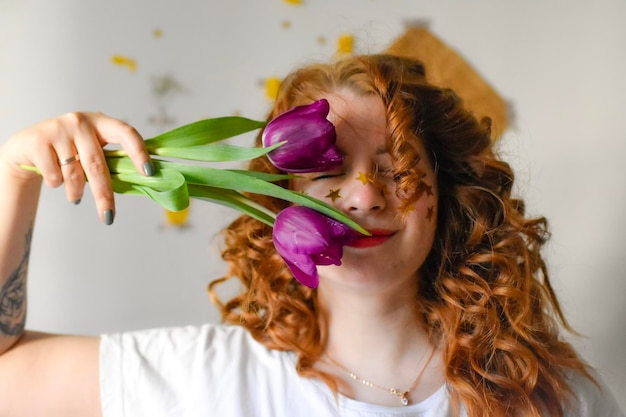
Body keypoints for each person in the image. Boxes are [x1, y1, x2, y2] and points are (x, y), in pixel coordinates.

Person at [0, 54, 622, 417]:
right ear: (284, 194)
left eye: (397, 165)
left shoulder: (552, 398)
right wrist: (15, 174)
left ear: (446, 190)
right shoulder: (207, 381)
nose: (364, 195)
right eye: (326, 167)